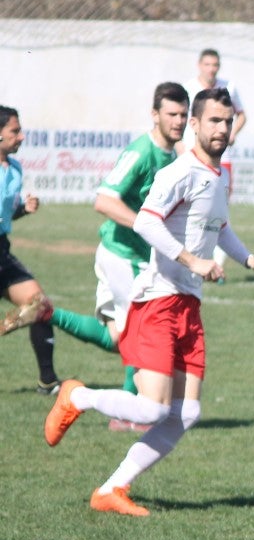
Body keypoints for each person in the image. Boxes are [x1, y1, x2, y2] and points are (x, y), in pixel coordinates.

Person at [42, 88, 254, 517]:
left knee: (186, 412)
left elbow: (219, 225)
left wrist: (249, 259)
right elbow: (146, 221)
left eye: (227, 121)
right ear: (194, 125)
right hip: (159, 300)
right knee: (154, 408)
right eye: (213, 121)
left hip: (189, 306)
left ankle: (111, 490)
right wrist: (193, 259)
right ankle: (76, 396)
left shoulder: (219, 175)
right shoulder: (180, 172)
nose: (222, 129)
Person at [45, 82, 189, 426]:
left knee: (116, 337)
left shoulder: (174, 155)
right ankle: (127, 414)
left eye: (184, 114)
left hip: (135, 254)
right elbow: (104, 200)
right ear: (154, 115)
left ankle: (46, 313)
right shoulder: (141, 152)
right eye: (172, 114)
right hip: (122, 254)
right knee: (142, 333)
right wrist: (145, 225)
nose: (179, 121)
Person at [0, 105, 60, 394]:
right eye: (14, 131)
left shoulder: (15, 169)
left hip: (2, 253)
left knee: (41, 305)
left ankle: (47, 381)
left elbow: (6, 216)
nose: (21, 136)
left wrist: (23, 209)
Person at [181, 49, 248, 282]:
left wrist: (233, 134)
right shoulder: (189, 88)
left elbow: (242, 115)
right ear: (200, 65)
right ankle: (191, 261)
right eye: (208, 64)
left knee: (219, 214)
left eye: (215, 65)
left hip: (222, 159)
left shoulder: (229, 87)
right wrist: (180, 148)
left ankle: (216, 267)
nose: (212, 68)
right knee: (189, 212)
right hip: (192, 156)